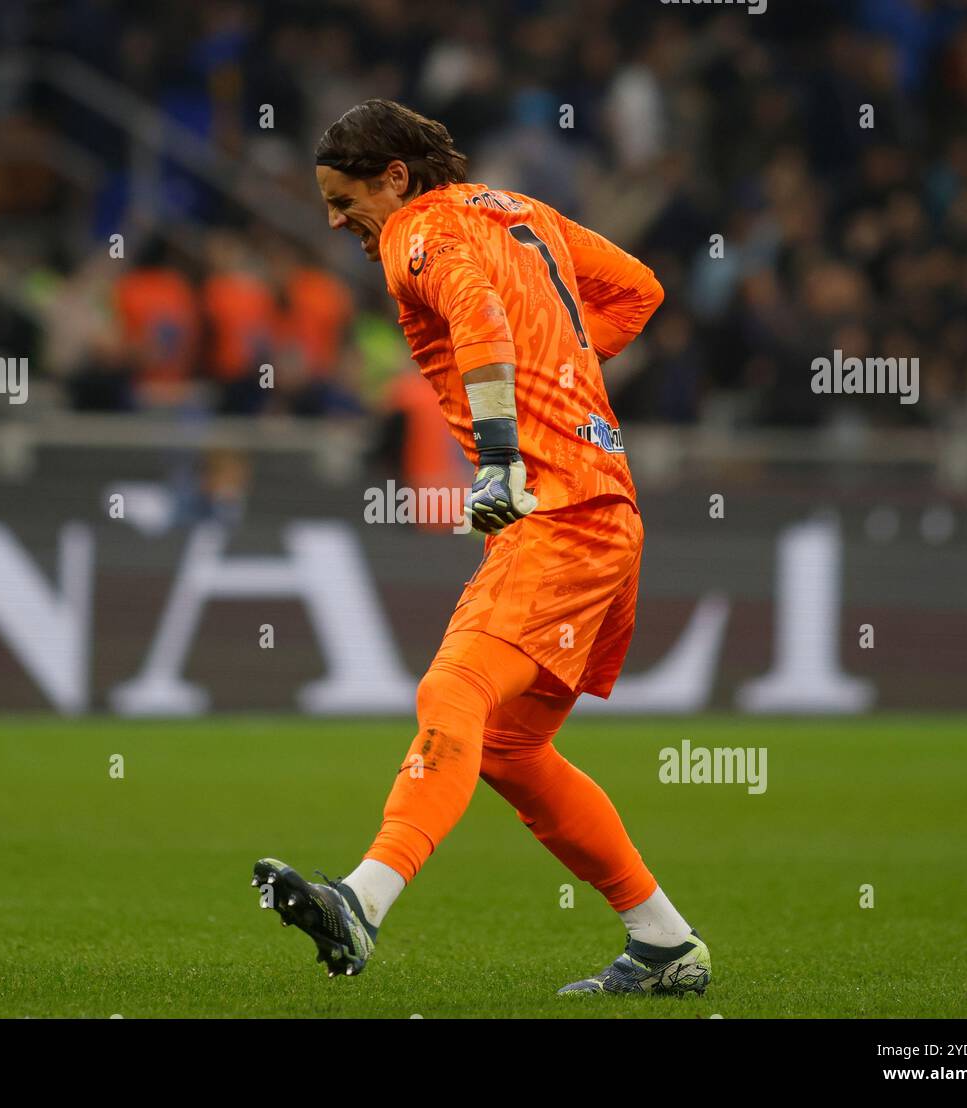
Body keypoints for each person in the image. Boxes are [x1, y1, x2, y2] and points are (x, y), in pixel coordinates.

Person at [253, 99, 710, 997]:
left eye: (345, 200)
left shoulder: (414, 232)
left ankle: (362, 899)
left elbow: (478, 321)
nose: (337, 221)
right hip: (605, 500)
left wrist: (501, 453)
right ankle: (663, 943)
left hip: (554, 505)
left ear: (395, 177)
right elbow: (640, 290)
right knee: (506, 746)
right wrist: (564, 371)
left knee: (452, 689)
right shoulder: (518, 209)